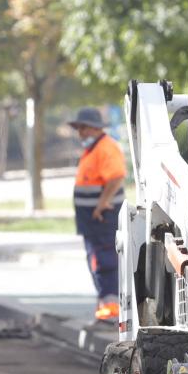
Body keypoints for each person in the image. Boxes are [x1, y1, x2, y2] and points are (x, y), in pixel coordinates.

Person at [69, 107, 126, 322]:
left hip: (103, 219)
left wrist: (103, 203)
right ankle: (105, 306)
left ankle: (111, 311)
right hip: (92, 221)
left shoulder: (106, 148)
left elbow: (116, 176)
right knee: (96, 261)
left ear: (94, 128)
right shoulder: (93, 149)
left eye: (82, 127)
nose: (80, 132)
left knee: (104, 261)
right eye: (78, 128)